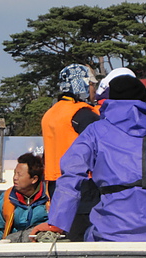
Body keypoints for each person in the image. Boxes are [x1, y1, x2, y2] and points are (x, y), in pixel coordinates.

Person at [32, 74, 146, 242]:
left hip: (111, 231)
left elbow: (71, 176)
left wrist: (56, 224)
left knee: (88, 234)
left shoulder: (94, 132)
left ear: (111, 100)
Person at [41, 64, 100, 241]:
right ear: (80, 84)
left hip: (55, 185)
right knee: (84, 237)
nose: (93, 89)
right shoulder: (83, 115)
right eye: (91, 84)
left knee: (65, 235)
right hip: (83, 185)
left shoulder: (51, 114)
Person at [0, 153, 49, 243]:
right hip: (12, 248)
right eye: (14, 173)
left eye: (19, 174)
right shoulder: (6, 197)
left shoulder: (50, 197)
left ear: (34, 179)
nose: (15, 177)